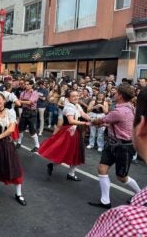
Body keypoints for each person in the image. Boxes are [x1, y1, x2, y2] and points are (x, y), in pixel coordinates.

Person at [87, 88, 147, 236]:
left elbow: (100, 120)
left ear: (119, 95)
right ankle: (105, 200)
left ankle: (140, 196)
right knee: (102, 168)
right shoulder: (128, 108)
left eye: (115, 93)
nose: (113, 95)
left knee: (121, 177)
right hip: (112, 144)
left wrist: (90, 121)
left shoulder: (119, 111)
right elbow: (115, 122)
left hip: (124, 147)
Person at [39, 90, 91, 181]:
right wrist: (85, 123)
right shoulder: (68, 107)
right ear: (68, 98)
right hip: (70, 132)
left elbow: (83, 114)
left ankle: (70, 173)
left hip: (76, 131)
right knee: (67, 152)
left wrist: (93, 120)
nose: (76, 97)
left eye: (77, 96)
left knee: (75, 153)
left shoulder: (77, 105)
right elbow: (71, 121)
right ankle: (55, 166)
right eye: (73, 96)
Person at [17, 80, 40, 152]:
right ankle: (19, 142)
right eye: (25, 84)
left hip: (32, 113)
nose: (26, 85)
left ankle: (37, 145)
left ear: (31, 85)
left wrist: (20, 101)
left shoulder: (35, 93)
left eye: (27, 84)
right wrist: (19, 102)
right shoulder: (22, 93)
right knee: (20, 129)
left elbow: (30, 102)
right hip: (24, 112)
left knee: (32, 131)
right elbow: (19, 103)